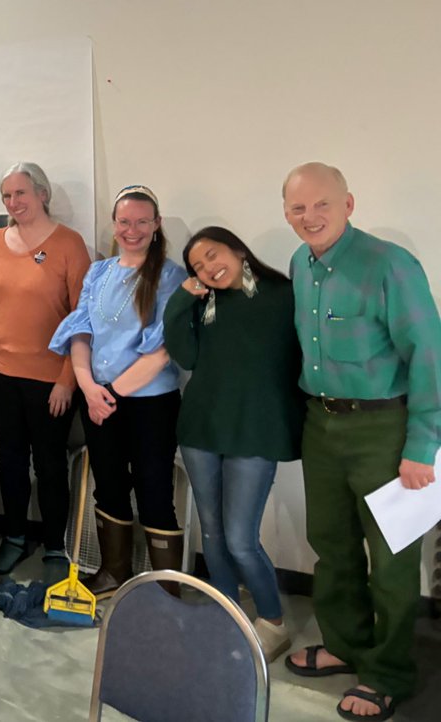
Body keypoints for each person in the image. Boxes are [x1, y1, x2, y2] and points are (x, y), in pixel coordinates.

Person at [280, 163, 440, 721]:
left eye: (321, 204)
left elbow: (429, 355)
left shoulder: (390, 265)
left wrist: (423, 445)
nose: (310, 217)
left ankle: (388, 672)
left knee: (392, 559)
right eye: (298, 208)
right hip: (321, 423)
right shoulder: (301, 264)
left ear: (348, 204)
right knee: (332, 544)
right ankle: (346, 645)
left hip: (384, 429)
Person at [162, 226, 302, 661]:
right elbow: (184, 356)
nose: (209, 268)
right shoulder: (205, 303)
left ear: (239, 250)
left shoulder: (283, 294)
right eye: (198, 265)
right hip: (203, 428)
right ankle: (227, 614)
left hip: (256, 431)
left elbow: (300, 358)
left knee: (241, 538)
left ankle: (273, 621)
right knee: (214, 534)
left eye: (213, 255)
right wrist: (182, 298)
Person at [49, 184, 185, 598]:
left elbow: (162, 352)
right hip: (98, 400)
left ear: (156, 225)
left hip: (149, 405)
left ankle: (165, 589)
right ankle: (113, 573)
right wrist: (88, 386)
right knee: (108, 484)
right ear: (114, 224)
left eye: (143, 221)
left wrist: (108, 394)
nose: (133, 229)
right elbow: (80, 330)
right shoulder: (100, 272)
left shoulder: (171, 276)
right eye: (125, 221)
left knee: (154, 488)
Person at [0, 163, 90, 577]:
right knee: (11, 460)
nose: (13, 203)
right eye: (6, 195)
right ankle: (15, 537)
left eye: (20, 193)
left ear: (42, 194)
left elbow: (82, 318)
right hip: (0, 373)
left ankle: (56, 545)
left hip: (50, 381)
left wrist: (66, 379)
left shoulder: (70, 245)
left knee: (52, 464)